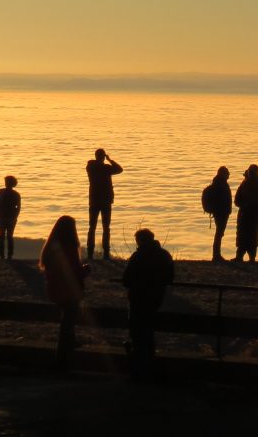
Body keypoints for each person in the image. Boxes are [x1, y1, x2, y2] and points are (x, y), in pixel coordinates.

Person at [121, 228, 174, 378]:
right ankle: (149, 365)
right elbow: (169, 278)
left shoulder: (138, 256)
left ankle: (139, 368)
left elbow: (126, 280)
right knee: (148, 334)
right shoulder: (164, 255)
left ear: (140, 241)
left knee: (138, 334)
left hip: (138, 300)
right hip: (156, 300)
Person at [39, 215, 88, 370]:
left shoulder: (50, 247)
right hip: (68, 291)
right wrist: (86, 270)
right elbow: (74, 272)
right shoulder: (70, 248)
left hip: (54, 289)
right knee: (67, 323)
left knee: (67, 321)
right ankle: (63, 358)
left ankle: (67, 348)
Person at [86, 148, 123, 260]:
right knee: (106, 228)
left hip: (94, 200)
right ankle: (106, 253)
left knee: (92, 227)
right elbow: (120, 169)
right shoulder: (106, 168)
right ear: (103, 157)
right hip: (105, 201)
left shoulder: (90, 167)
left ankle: (90, 254)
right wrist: (110, 160)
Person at [234, 164, 258, 262]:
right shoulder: (257, 183)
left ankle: (244, 256)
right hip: (251, 211)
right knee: (250, 232)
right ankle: (247, 257)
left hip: (249, 211)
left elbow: (237, 200)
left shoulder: (247, 183)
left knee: (246, 232)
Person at [202, 167, 232, 262]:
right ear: (223, 174)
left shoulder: (218, 183)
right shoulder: (221, 184)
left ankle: (216, 254)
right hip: (221, 212)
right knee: (219, 233)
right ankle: (216, 255)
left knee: (219, 233)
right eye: (227, 173)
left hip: (220, 211)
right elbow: (223, 199)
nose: (228, 175)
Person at [0, 175, 21, 260]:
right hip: (7, 217)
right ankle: (7, 255)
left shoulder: (1, 192)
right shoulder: (15, 194)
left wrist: (14, 216)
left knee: (4, 236)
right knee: (8, 236)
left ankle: (4, 255)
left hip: (5, 217)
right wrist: (15, 216)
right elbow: (18, 207)